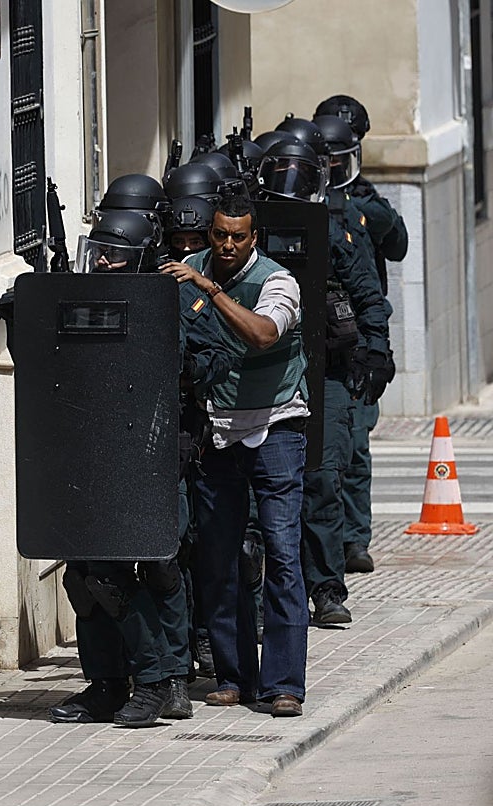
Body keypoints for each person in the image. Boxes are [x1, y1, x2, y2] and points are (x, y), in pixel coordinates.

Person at [51, 203, 239, 727]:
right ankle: (107, 682)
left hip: (156, 451)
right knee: (86, 576)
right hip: (94, 452)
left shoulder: (175, 299)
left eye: (115, 254)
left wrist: (176, 367)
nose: (104, 263)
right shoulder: (82, 296)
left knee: (156, 566)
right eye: (99, 253)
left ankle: (167, 677)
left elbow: (217, 356)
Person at [159, 192, 310, 718]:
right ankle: (233, 676)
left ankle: (284, 684)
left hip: (276, 426)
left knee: (282, 555)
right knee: (219, 558)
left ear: (254, 237)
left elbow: (263, 334)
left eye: (237, 236)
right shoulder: (185, 268)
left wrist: (210, 290)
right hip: (215, 432)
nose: (225, 244)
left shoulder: (277, 281)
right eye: (219, 233)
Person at [261, 134, 390, 627]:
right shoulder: (246, 230)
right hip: (266, 373)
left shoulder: (333, 231)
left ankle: (327, 589)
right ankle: (258, 598)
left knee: (322, 480)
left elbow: (367, 294)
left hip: (326, 371)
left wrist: (375, 352)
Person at [315, 95, 410, 574]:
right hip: (321, 336)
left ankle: (355, 539)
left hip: (357, 338)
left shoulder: (365, 200)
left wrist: (368, 212)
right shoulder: (308, 200)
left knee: (355, 444)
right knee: (331, 451)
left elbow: (398, 246)